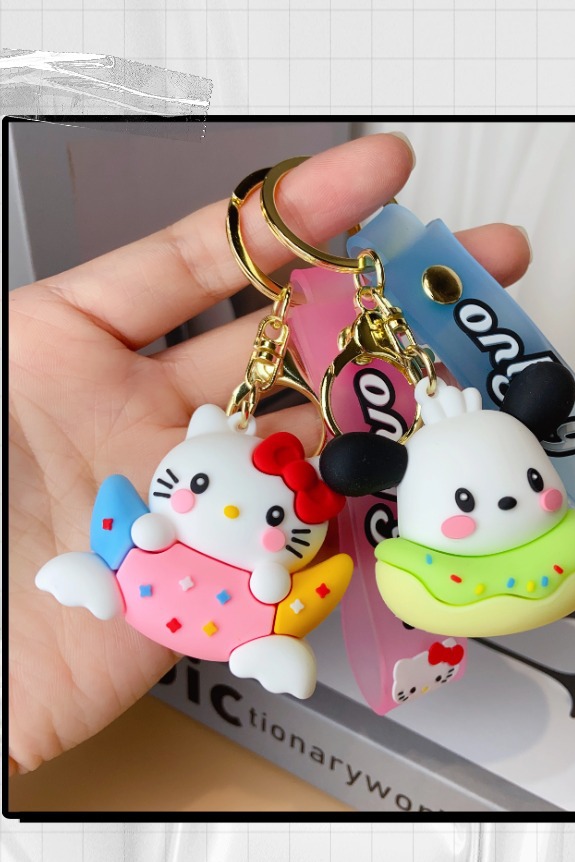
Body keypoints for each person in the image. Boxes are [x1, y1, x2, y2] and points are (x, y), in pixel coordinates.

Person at [8, 132, 532, 775]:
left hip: (239, 615)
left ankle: (257, 646)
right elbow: (132, 511)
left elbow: (314, 580)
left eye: (279, 519)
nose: (231, 515)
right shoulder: (178, 506)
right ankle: (101, 578)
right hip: (149, 581)